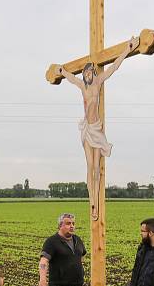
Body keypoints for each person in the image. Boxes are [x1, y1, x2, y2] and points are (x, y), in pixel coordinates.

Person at [56, 36, 140, 220]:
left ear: (93, 73)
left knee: (96, 169)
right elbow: (70, 78)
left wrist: (128, 48)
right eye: (85, 73)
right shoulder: (82, 87)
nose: (87, 75)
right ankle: (92, 201)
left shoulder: (99, 82)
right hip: (87, 130)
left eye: (89, 72)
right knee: (90, 166)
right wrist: (61, 71)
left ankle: (97, 201)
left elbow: (114, 67)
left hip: (96, 129)